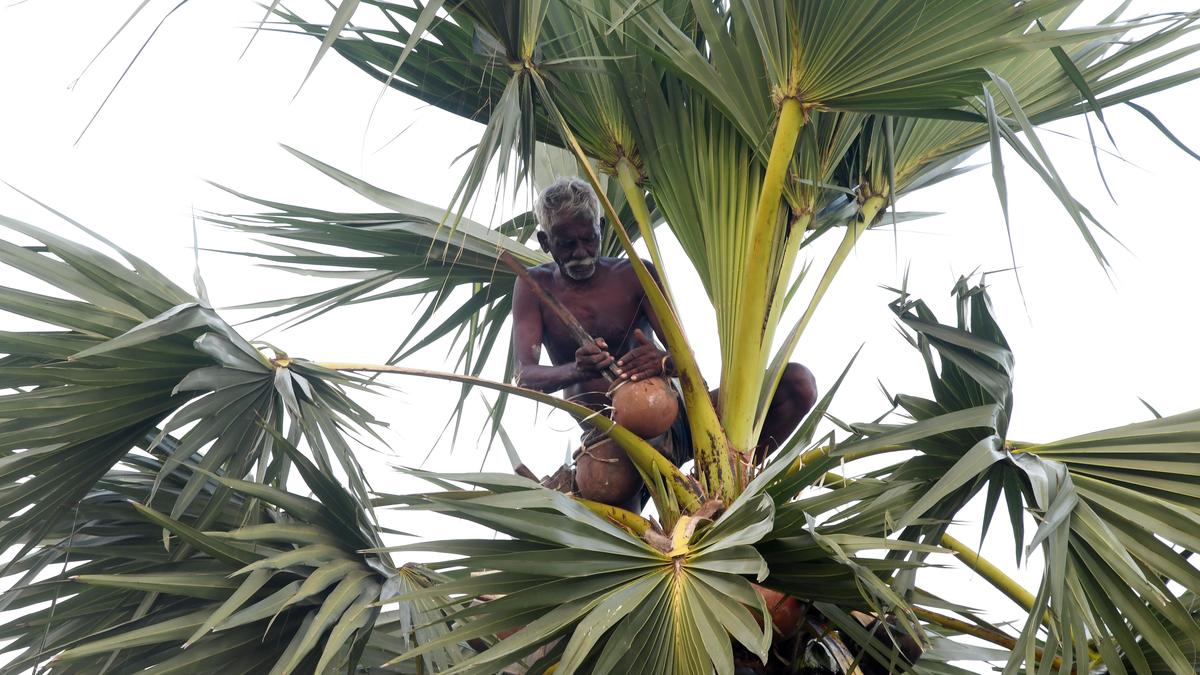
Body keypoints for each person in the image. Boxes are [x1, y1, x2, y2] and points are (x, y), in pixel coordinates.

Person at [511, 176, 817, 509]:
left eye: (588, 238)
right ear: (544, 241)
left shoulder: (634, 274)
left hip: (678, 418)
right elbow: (525, 377)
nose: (581, 253)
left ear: (601, 227)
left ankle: (719, 487)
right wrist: (576, 369)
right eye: (567, 244)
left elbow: (686, 360)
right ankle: (656, 522)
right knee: (616, 526)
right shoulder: (534, 286)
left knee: (798, 385)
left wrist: (664, 362)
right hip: (613, 448)